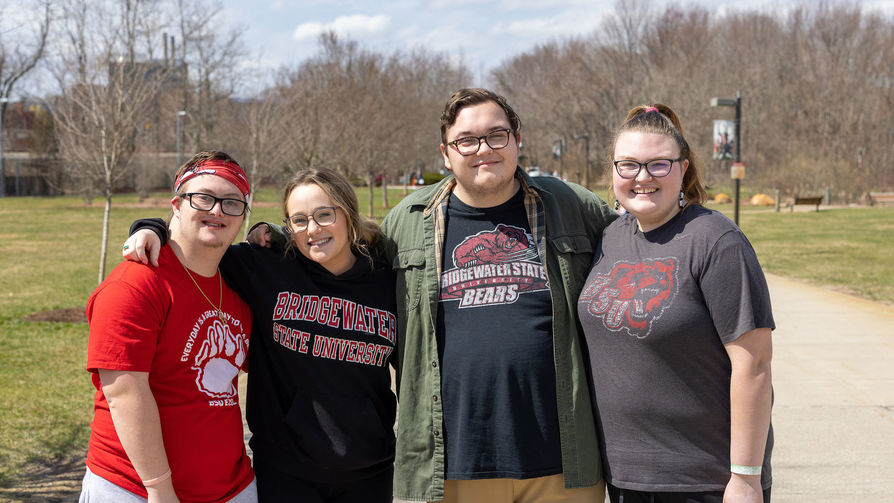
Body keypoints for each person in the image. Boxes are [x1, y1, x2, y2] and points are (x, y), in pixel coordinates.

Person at [379, 88, 615, 503]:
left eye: (497, 135)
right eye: (466, 140)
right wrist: (278, 241)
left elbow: (641, 243)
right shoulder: (407, 222)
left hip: (563, 465)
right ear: (446, 153)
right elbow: (344, 262)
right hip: (451, 466)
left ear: (517, 140)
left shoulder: (570, 205)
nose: (483, 149)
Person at [123, 167, 397, 502]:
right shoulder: (266, 268)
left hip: (371, 469)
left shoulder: (388, 281)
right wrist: (150, 228)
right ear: (288, 226)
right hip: (286, 472)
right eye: (299, 220)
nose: (313, 229)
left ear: (348, 213)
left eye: (325, 215)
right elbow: (200, 242)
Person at [577, 104, 774, 503]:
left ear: (683, 169)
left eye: (659, 165)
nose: (643, 177)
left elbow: (754, 364)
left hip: (703, 480)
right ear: (614, 172)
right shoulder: (610, 237)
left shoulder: (716, 241)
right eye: (628, 165)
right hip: (624, 477)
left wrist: (747, 478)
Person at [80, 151, 257, 502]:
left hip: (232, 487)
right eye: (203, 198)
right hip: (135, 489)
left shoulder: (239, 287)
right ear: (176, 204)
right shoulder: (135, 284)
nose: (218, 210)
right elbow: (124, 393)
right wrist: (159, 489)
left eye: (232, 203)